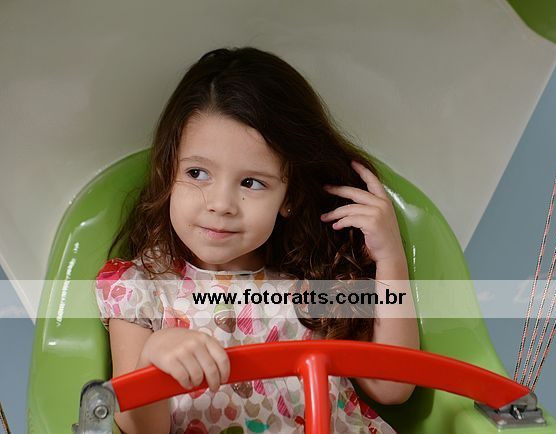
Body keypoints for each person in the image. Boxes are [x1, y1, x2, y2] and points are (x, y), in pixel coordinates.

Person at [94, 46, 419, 434]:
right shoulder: (140, 289)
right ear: (168, 172)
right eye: (197, 173)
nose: (220, 204)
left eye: (251, 182)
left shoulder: (312, 280)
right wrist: (153, 361)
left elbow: (392, 386)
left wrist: (389, 257)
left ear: (290, 196)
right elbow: (141, 430)